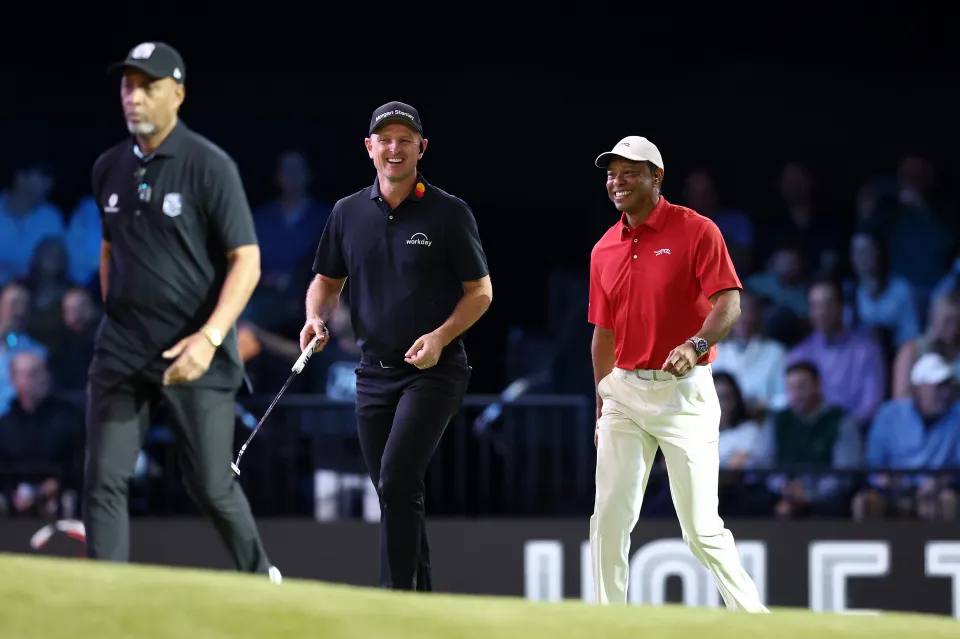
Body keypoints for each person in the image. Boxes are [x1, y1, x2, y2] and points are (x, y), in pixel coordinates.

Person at [83, 42, 279, 582]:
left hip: (195, 350)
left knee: (210, 485)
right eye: (127, 86)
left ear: (178, 94)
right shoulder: (108, 167)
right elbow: (109, 250)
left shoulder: (210, 166)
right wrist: (117, 315)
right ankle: (104, 598)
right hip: (122, 350)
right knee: (102, 480)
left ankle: (262, 579)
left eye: (148, 86)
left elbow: (247, 261)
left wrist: (210, 338)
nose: (134, 97)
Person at [301, 101, 492, 590]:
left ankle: (394, 600)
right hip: (372, 373)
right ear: (369, 148)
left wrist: (440, 336)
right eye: (384, 140)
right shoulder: (347, 213)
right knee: (395, 492)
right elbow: (326, 281)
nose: (394, 148)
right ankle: (419, 602)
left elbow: (480, 292)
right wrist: (315, 318)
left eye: (404, 140)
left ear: (421, 148)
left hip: (434, 370)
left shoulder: (449, 212)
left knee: (398, 479)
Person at [587, 135, 768, 612]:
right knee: (609, 518)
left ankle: (755, 620)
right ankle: (608, 624)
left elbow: (729, 302)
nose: (617, 182)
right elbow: (603, 334)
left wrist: (696, 344)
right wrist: (602, 403)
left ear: (656, 177)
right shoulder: (603, 248)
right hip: (624, 390)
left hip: (683, 392)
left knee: (701, 530)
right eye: (612, 174)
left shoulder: (696, 230)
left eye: (629, 173)